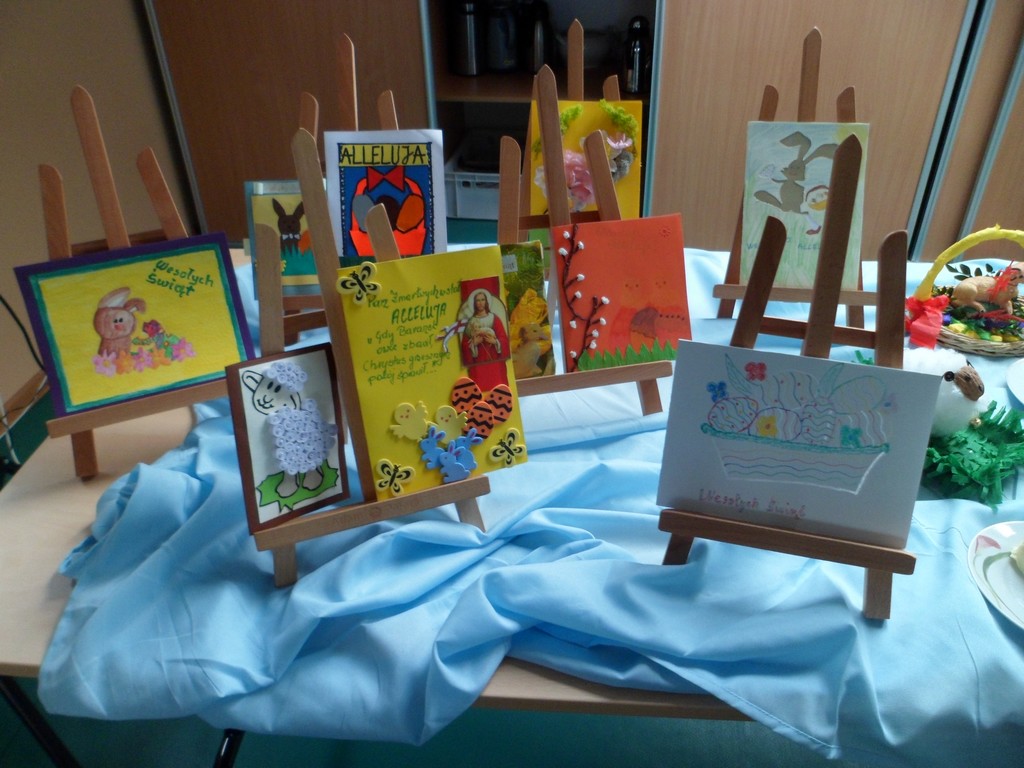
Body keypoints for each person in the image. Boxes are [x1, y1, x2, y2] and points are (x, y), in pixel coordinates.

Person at [459, 288, 510, 392]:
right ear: (474, 303)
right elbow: (464, 345)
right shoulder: (471, 322)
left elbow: (504, 339)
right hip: (478, 362)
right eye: (478, 300)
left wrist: (495, 342)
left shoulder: (494, 318)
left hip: (494, 359)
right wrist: (473, 344)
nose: (480, 303)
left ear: (486, 302)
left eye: (482, 300)